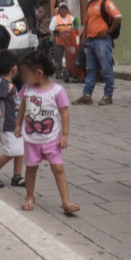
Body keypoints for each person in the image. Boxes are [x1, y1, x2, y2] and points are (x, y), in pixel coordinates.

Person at [15, 50, 79, 215]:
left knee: (58, 168)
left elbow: (64, 112)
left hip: (51, 139)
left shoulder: (57, 91)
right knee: (30, 169)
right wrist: (17, 124)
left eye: (25, 74)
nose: (23, 78)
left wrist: (64, 134)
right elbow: (22, 106)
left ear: (39, 73)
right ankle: (30, 196)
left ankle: (66, 201)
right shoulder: (27, 89)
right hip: (31, 139)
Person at [76, 0, 121, 106]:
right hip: (90, 40)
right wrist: (84, 36)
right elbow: (87, 21)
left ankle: (108, 95)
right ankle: (87, 95)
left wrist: (109, 31)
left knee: (106, 68)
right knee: (90, 69)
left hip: (102, 41)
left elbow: (118, 17)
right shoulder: (90, 4)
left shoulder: (106, 3)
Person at [0, 51, 25, 189]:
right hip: (7, 126)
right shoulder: (2, 83)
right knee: (11, 151)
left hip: (15, 125)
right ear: (14, 68)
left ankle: (17, 176)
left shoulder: (8, 83)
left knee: (20, 149)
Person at [49, 0, 76, 73]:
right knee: (58, 57)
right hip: (59, 41)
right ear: (59, 10)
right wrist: (55, 31)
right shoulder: (55, 18)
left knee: (70, 56)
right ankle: (58, 71)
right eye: (62, 8)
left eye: (65, 8)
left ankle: (71, 69)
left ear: (67, 10)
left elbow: (76, 26)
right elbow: (51, 27)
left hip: (69, 41)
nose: (63, 10)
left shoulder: (71, 18)